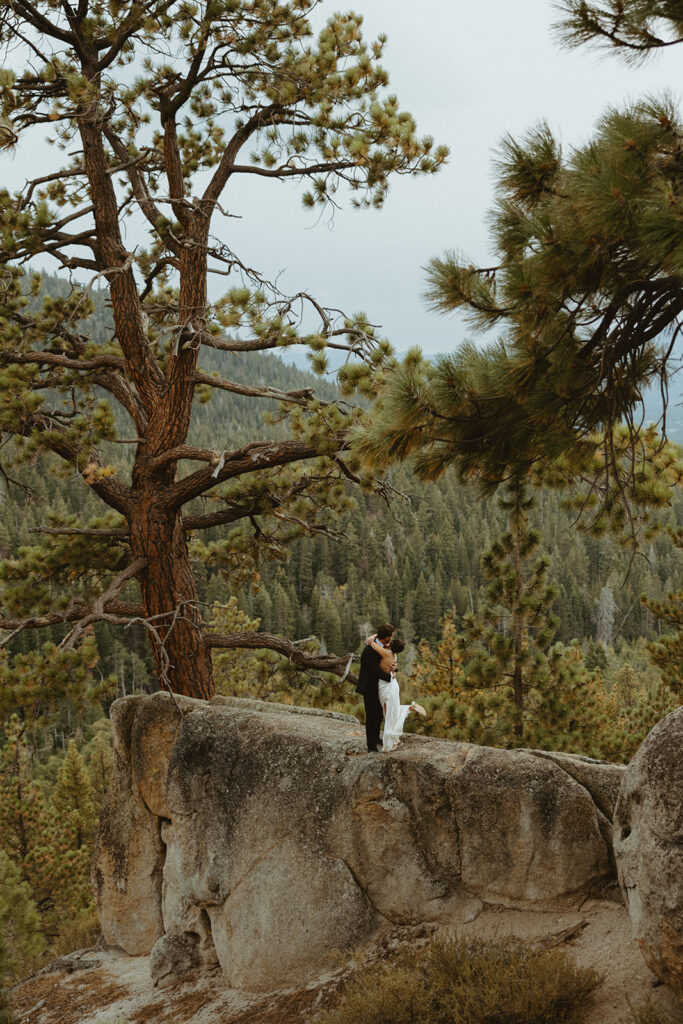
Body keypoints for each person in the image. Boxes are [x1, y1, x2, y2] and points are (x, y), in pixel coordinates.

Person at [367, 634, 426, 752]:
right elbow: (393, 671)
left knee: (388, 714)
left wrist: (378, 634)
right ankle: (409, 710)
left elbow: (370, 641)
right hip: (392, 684)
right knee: (389, 712)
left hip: (386, 687)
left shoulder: (385, 653)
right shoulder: (393, 655)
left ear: (392, 644)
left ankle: (392, 740)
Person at [356, 623, 394, 752]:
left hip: (378, 686)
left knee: (378, 715)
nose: (392, 638)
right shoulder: (370, 650)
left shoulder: (379, 645)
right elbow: (374, 670)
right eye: (391, 636)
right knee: (372, 716)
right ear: (386, 637)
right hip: (369, 687)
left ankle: (376, 737)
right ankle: (371, 745)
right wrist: (390, 677)